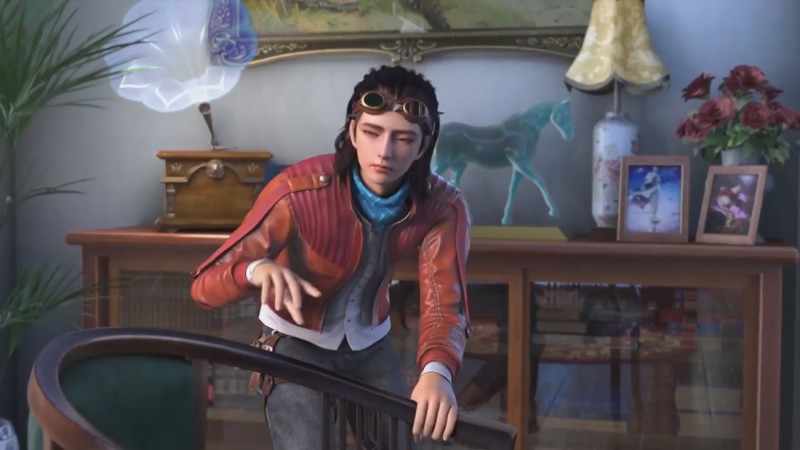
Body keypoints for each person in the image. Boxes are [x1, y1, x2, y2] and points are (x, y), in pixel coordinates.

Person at [190, 64, 471, 449]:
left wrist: (438, 370)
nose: (385, 151)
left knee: (412, 443)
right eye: (372, 132)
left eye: (403, 138)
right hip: (294, 342)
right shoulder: (297, 190)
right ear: (352, 132)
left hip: (370, 345)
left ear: (423, 146)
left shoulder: (443, 206)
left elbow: (444, 301)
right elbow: (204, 286)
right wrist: (255, 270)